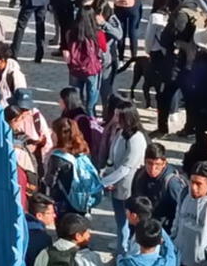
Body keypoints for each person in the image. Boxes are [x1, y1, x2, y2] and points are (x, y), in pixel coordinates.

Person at [103, 105, 148, 257]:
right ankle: (121, 243)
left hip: (129, 186)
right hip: (116, 183)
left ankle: (126, 249)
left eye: (118, 116)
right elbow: (112, 157)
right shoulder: (120, 133)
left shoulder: (137, 139)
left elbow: (126, 167)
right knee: (120, 218)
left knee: (129, 219)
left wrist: (104, 181)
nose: (115, 119)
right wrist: (106, 173)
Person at [174, 161, 207, 266]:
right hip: (179, 259)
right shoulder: (184, 194)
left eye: (198, 184)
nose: (193, 187)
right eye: (191, 182)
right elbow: (177, 220)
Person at [132, 143, 188, 233]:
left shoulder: (172, 183)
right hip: (142, 228)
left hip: (163, 231)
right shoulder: (140, 175)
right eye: (149, 163)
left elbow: (181, 210)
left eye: (157, 164)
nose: (153, 168)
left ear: (164, 163)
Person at [45, 117, 94, 216]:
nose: (51, 134)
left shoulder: (57, 156)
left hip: (64, 202)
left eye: (53, 132)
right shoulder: (83, 150)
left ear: (59, 135)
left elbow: (50, 182)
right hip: (82, 200)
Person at [64, 12, 105, 115]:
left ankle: (78, 119)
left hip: (75, 69)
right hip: (92, 70)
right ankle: (91, 120)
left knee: (76, 100)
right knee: (91, 102)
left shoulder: (70, 33)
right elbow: (104, 48)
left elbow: (65, 48)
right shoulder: (97, 33)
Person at [33, 212, 103, 266]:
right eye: (87, 232)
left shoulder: (45, 253)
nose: (89, 235)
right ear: (78, 236)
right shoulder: (89, 258)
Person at [25, 194, 57, 266]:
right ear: (39, 216)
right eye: (51, 213)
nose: (54, 215)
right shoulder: (43, 239)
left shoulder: (22, 226)